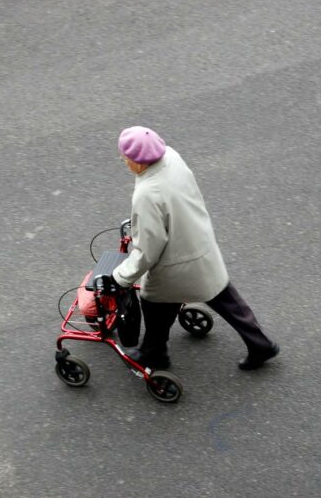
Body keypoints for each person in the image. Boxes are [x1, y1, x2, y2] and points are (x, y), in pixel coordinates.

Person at [111, 126, 279, 370]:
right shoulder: (171, 157)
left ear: (138, 162)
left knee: (155, 303)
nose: (124, 161)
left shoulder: (147, 193)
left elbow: (148, 248)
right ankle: (260, 344)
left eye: (125, 157)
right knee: (222, 295)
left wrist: (121, 276)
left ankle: (154, 353)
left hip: (176, 262)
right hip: (199, 241)